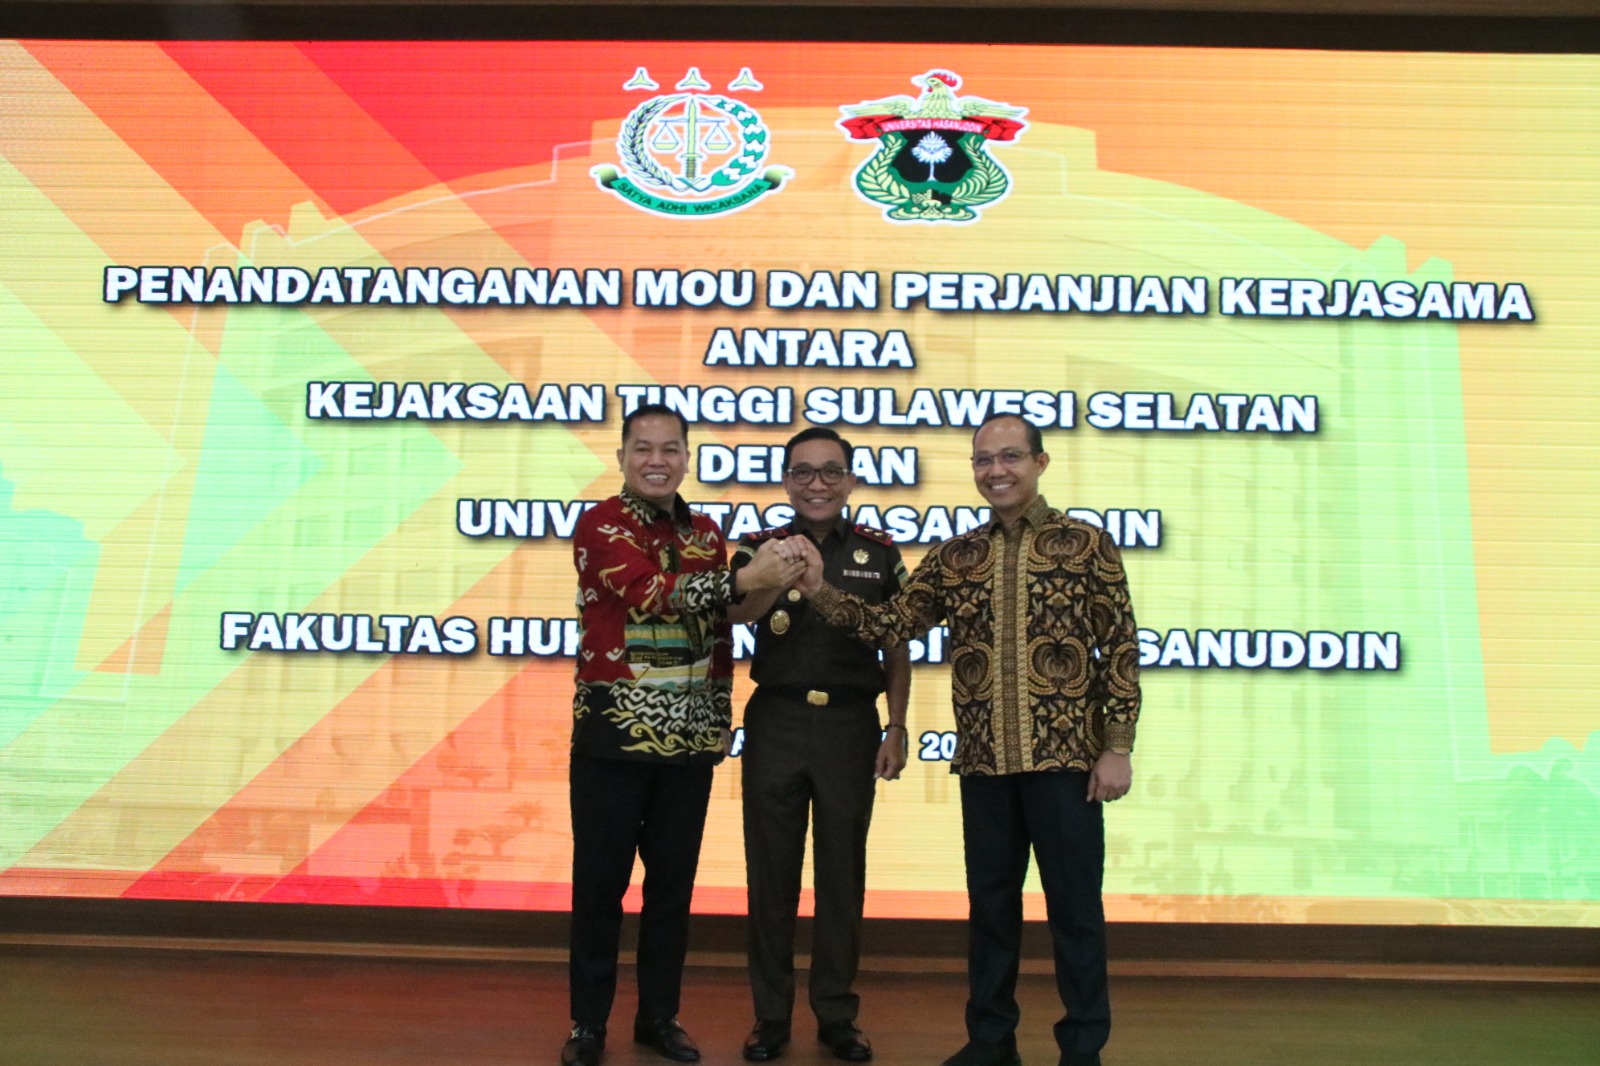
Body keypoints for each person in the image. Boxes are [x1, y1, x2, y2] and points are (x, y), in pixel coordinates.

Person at [793, 413, 1140, 1066]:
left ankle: (1082, 1048)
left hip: (1066, 762)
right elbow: (890, 624)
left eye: (1010, 457)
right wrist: (816, 588)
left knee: (1075, 914)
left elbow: (1119, 646)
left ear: (1040, 463)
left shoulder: (1086, 544)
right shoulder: (956, 557)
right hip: (984, 763)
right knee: (990, 913)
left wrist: (1117, 745)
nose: (996, 471)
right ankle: (990, 1041)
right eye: (984, 460)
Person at [563, 404, 806, 1066]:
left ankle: (658, 1017)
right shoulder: (600, 523)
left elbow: (722, 617)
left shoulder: (705, 532)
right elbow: (651, 593)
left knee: (672, 891)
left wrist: (768, 587)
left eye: (670, 449)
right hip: (614, 736)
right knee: (600, 887)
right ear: (621, 457)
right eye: (643, 448)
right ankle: (587, 1025)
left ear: (686, 458)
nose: (657, 461)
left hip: (692, 742)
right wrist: (743, 579)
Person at [727, 427, 911, 1064]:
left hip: (849, 727)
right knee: (770, 876)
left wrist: (896, 726)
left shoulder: (879, 553)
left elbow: (896, 645)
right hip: (776, 722)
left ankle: (837, 1015)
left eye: (831, 471)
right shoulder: (758, 548)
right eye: (802, 472)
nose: (817, 484)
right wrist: (776, 575)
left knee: (841, 875)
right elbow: (734, 615)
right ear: (786, 480)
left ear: (851, 481)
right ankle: (770, 1018)